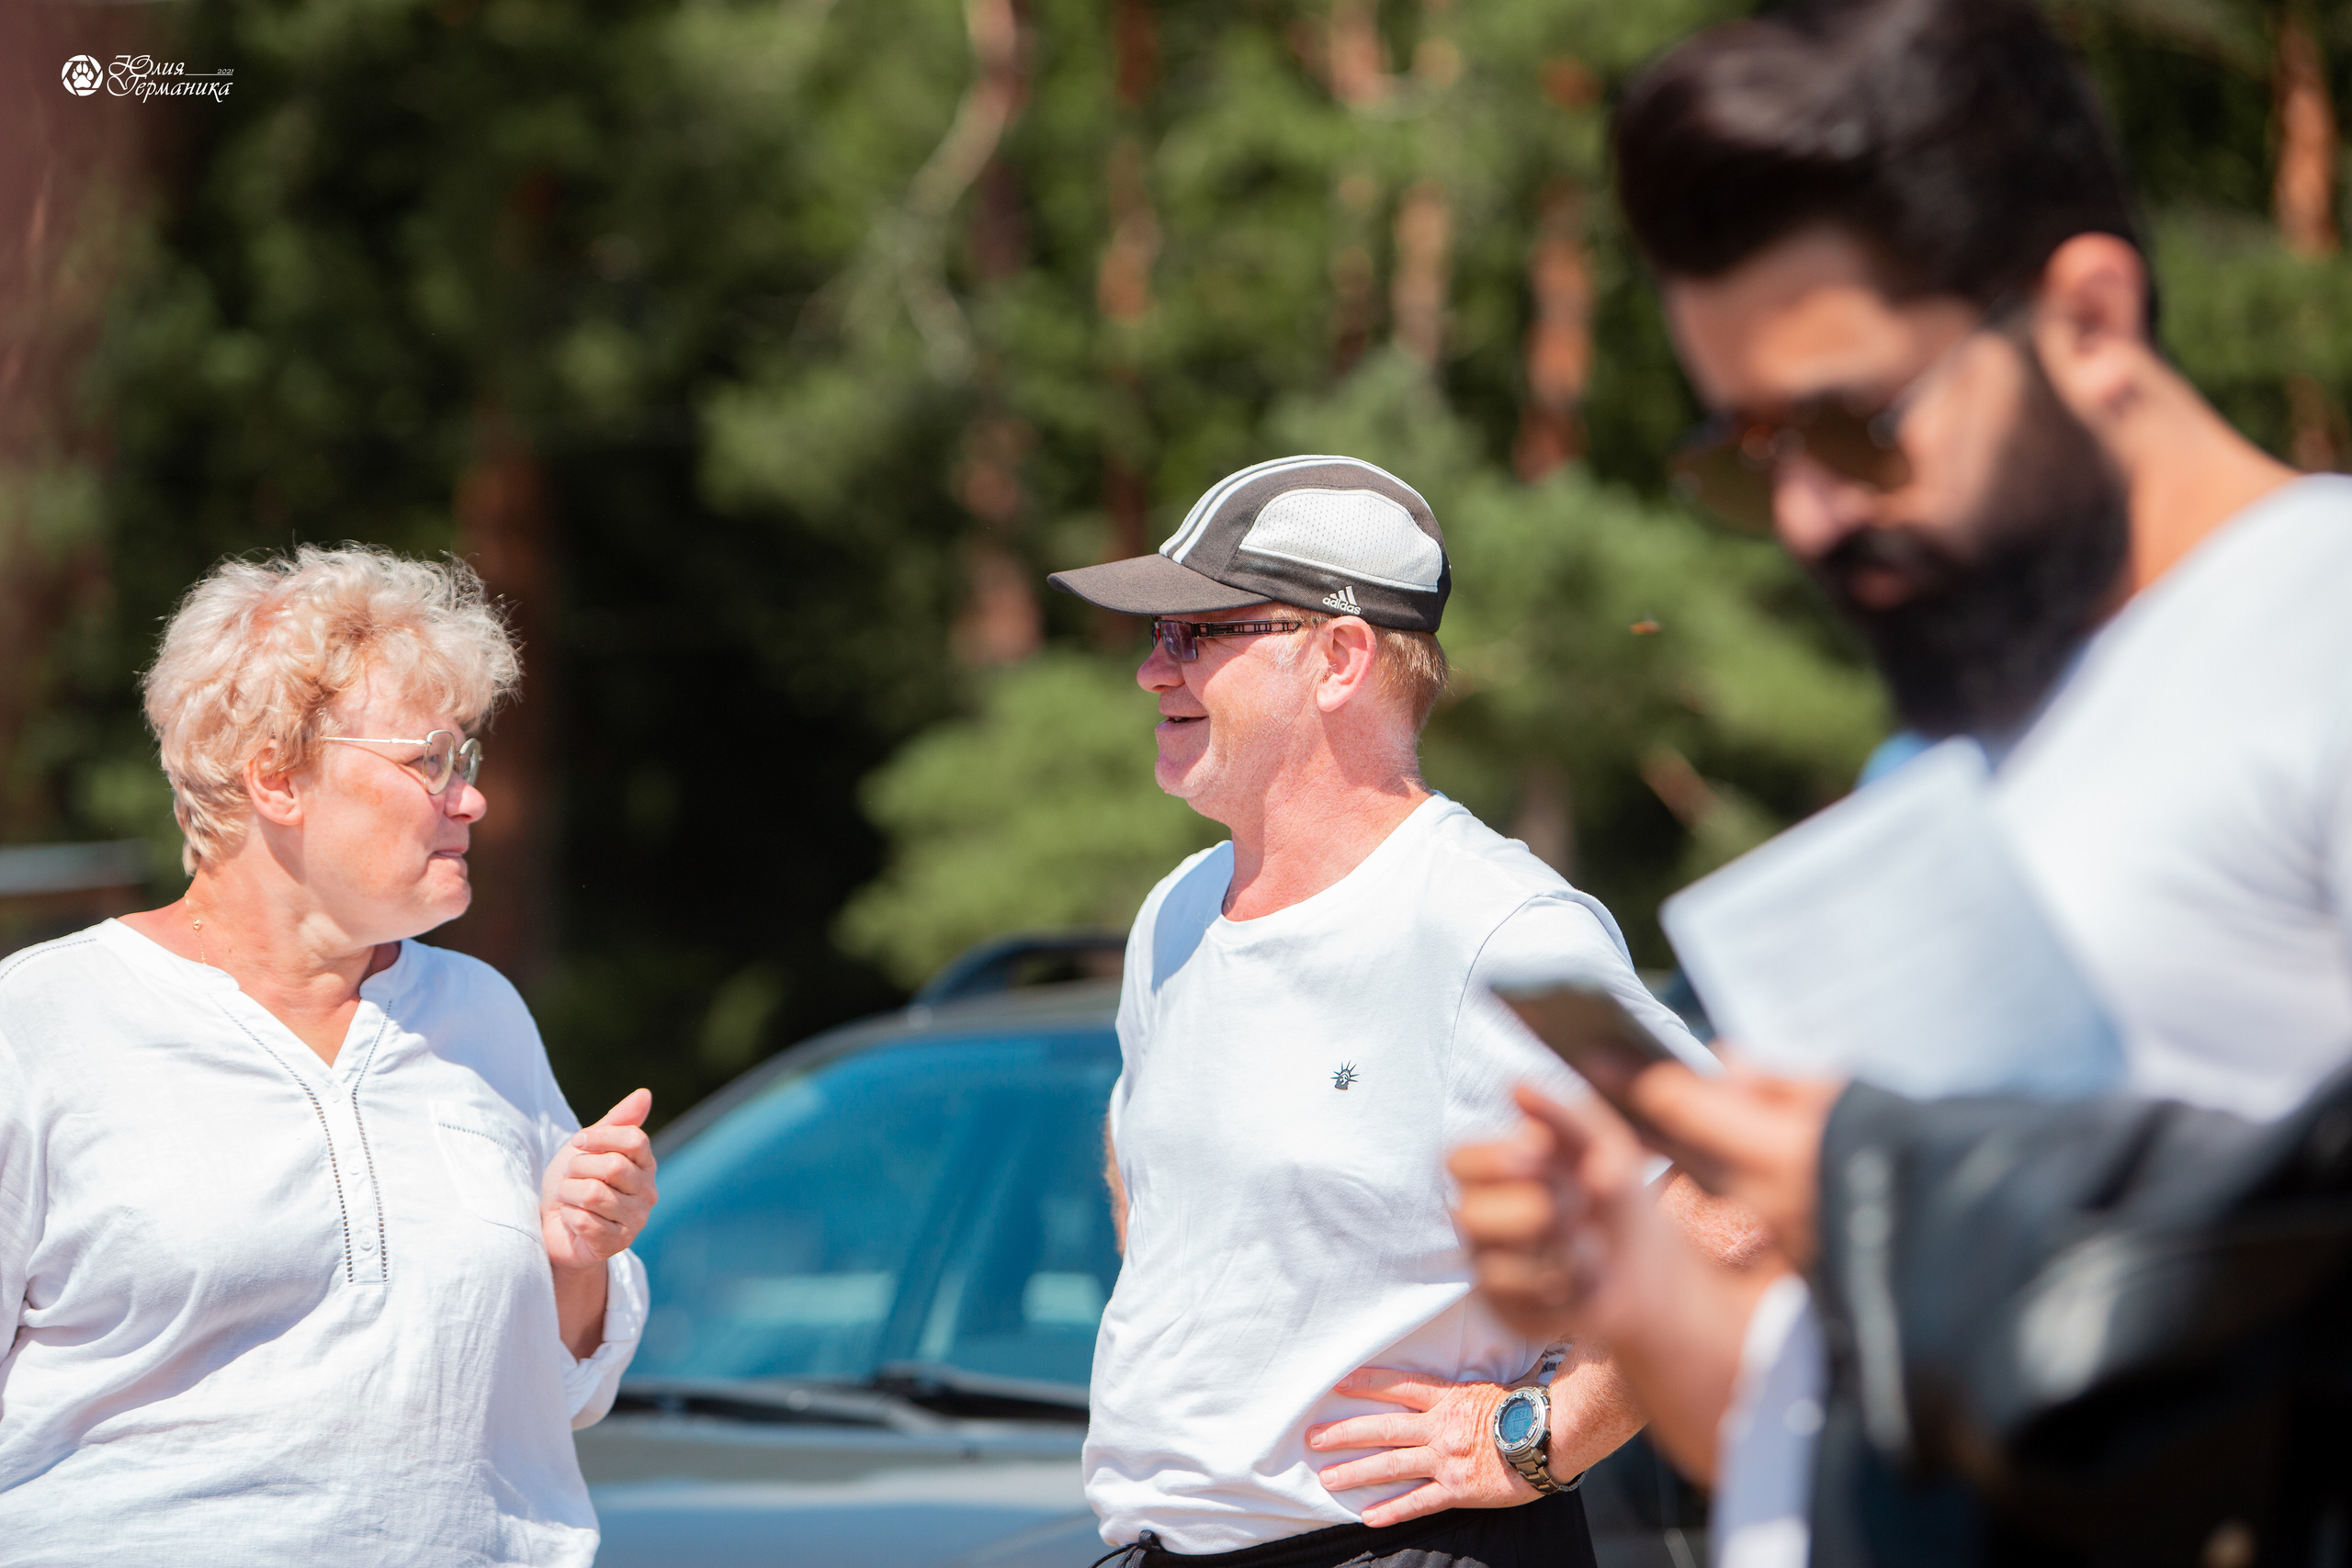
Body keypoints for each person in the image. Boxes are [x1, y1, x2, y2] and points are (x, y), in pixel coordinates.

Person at [1453, 0, 2352, 1559]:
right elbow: (1841, 1445)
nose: (1805, 514)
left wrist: (1906, 1196)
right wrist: (1638, 1288)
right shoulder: (1940, 762)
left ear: (2087, 314)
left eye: (1856, 428)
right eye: (1747, 453)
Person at [1046, 455, 1720, 1568]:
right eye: (1155, 637)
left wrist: (1539, 1439)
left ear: (1340, 658)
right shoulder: (1174, 912)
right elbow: (1145, 1167)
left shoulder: (1500, 929)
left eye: (1197, 633)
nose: (1151, 671)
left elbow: (1732, 1187)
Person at [0, 546, 657, 1566]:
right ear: (276, 778)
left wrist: (580, 1260)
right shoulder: (43, 1022)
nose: (470, 797)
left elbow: (564, 1390)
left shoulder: (480, 1016)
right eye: (429, 759)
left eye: (467, 759)